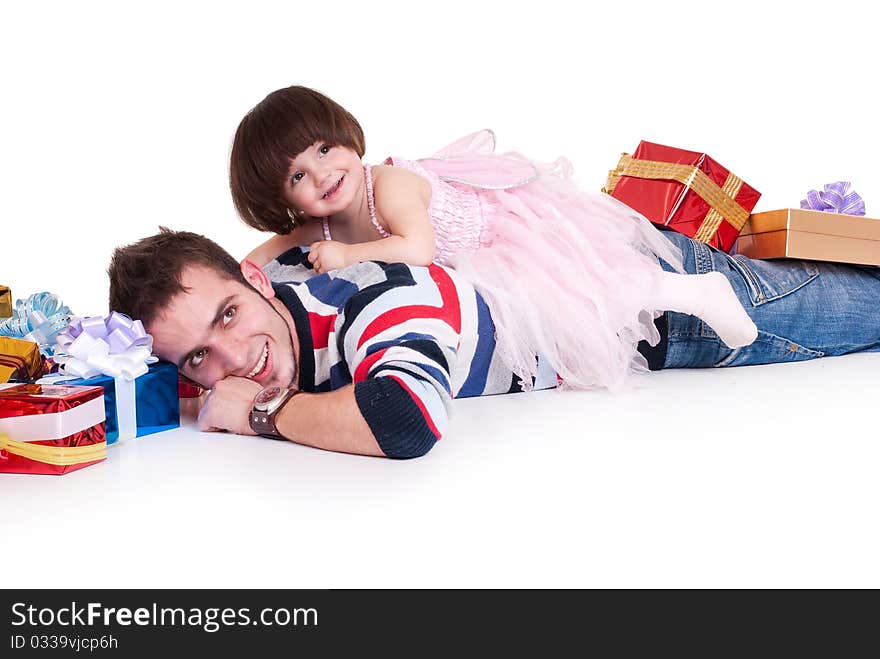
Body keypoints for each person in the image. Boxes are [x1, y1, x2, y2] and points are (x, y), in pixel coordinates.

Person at [108, 227, 880, 459]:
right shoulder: (250, 335)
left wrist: (259, 412)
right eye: (198, 358)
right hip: (616, 295)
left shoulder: (370, 295)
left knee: (867, 310)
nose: (234, 358)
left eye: (229, 316)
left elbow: (404, 421)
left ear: (257, 278)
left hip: (665, 311)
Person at [229, 86, 758, 392]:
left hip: (502, 237)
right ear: (286, 202)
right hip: (470, 279)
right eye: (297, 177)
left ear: (344, 136)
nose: (321, 176)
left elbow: (418, 250)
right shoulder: (315, 224)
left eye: (323, 151)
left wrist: (348, 254)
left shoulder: (386, 185)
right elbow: (255, 261)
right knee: (539, 318)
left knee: (583, 291)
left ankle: (697, 291)